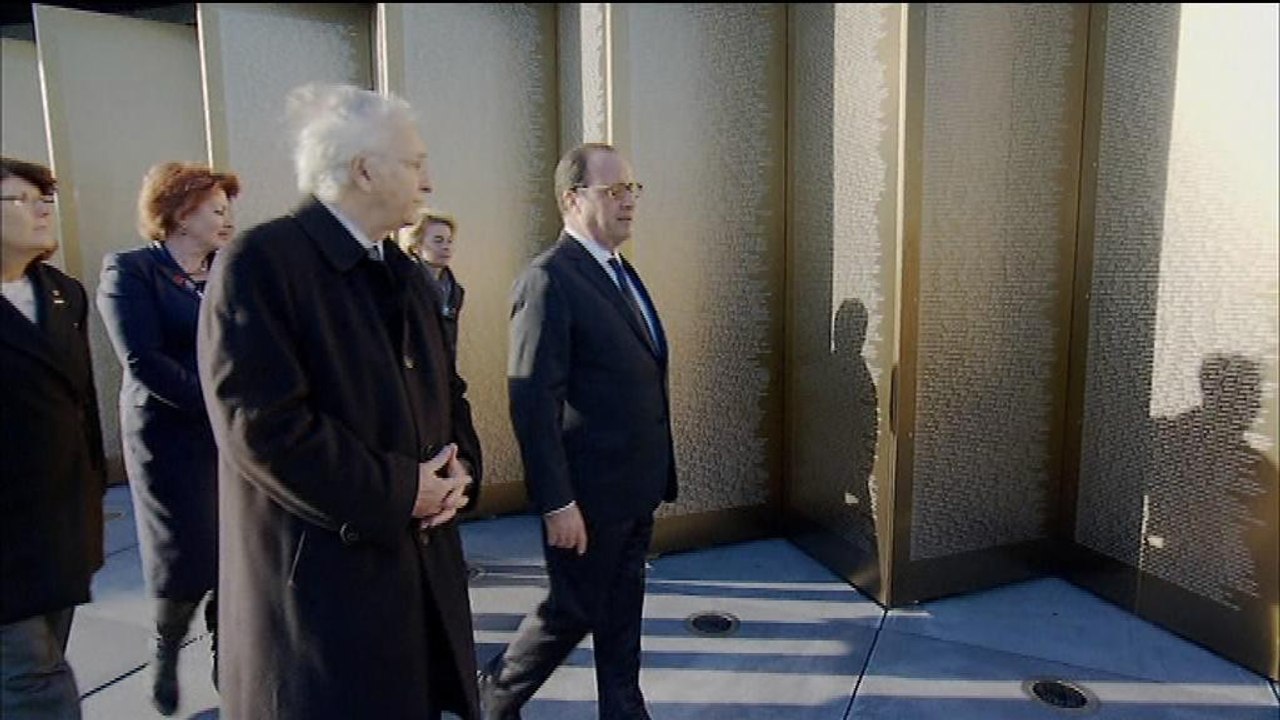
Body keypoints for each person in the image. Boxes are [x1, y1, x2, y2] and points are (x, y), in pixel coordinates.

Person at [197, 83, 483, 720]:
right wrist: (398, 488)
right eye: (415, 162)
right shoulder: (262, 262)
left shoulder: (403, 272)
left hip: (413, 592)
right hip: (321, 613)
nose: (429, 179)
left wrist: (460, 472)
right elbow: (262, 428)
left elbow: (448, 391)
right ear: (364, 168)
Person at [480, 142, 676, 720]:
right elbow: (532, 400)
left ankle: (623, 709)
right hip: (586, 499)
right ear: (572, 199)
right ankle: (491, 698)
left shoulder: (619, 271)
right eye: (613, 190)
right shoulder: (548, 280)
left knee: (621, 610)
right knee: (571, 610)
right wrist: (557, 500)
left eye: (632, 189)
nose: (628, 202)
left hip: (633, 487)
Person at [96, 162, 240, 715]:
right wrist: (221, 405)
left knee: (234, 553)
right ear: (180, 212)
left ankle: (232, 667)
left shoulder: (229, 269)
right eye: (217, 209)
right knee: (183, 558)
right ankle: (166, 645)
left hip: (229, 438)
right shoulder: (132, 271)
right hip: (168, 437)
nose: (228, 220)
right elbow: (143, 361)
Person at [0, 156, 106, 720]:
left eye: (45, 200)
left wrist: (88, 507)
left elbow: (82, 405)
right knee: (35, 679)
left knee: (40, 658)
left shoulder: (63, 293)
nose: (42, 211)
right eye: (22, 200)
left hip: (57, 523)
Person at [398, 210, 464, 358]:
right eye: (438, 240)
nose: (446, 247)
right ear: (417, 245)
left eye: (449, 241)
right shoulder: (404, 285)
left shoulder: (455, 291)